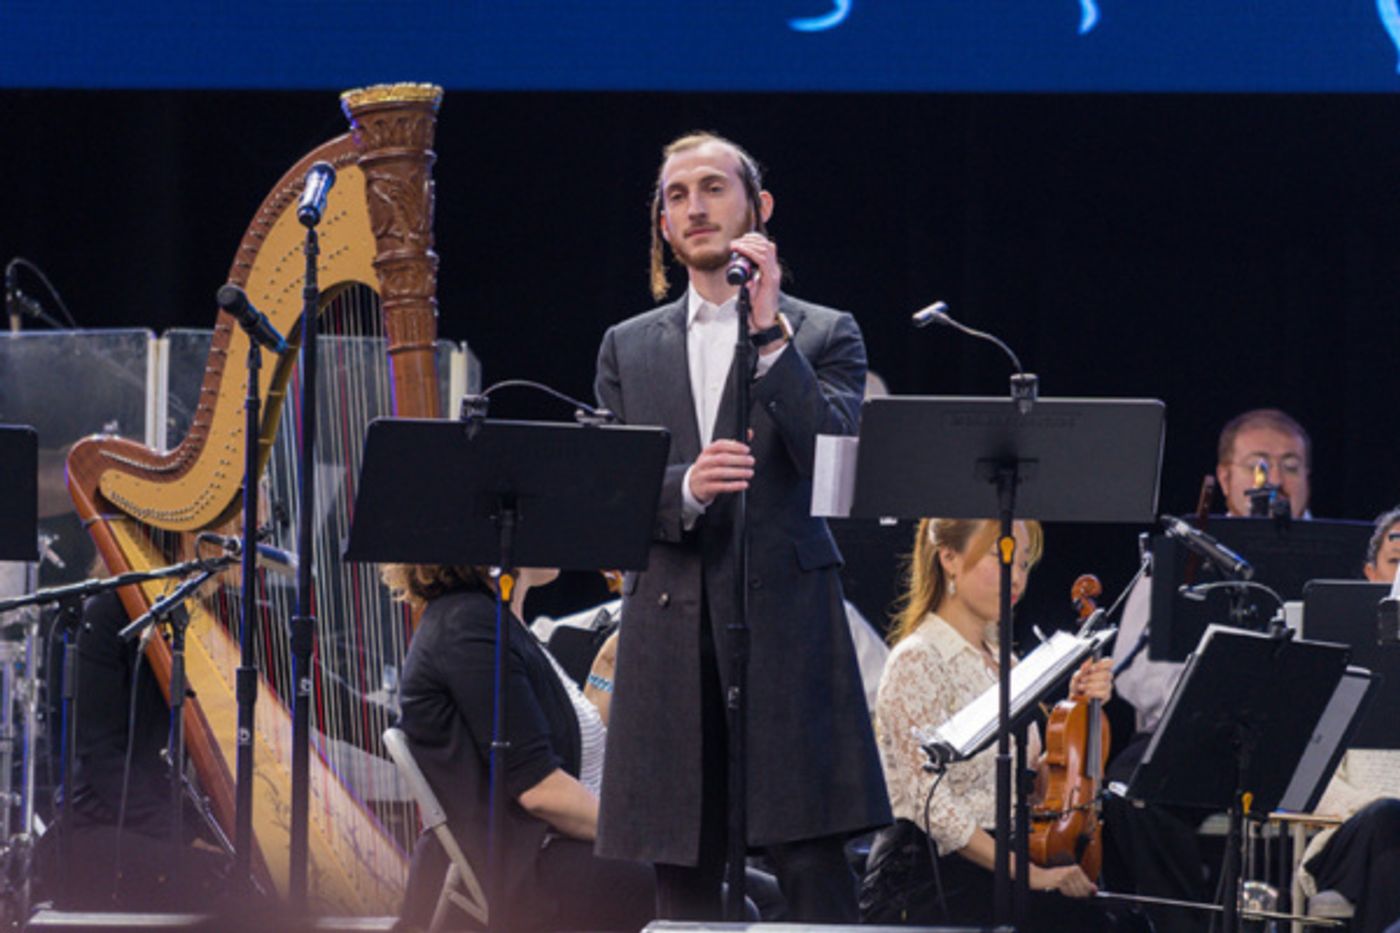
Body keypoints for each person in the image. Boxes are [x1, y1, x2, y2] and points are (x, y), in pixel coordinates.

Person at [592, 131, 889, 922]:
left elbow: (832, 453)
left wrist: (768, 331)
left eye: (714, 187)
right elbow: (609, 493)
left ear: (759, 208)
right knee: (682, 867)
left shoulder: (825, 332)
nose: (695, 206)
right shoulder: (628, 345)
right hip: (670, 629)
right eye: (677, 194)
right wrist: (683, 488)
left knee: (810, 860)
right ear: (662, 223)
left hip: (785, 624)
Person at [860, 517, 1114, 930]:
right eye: (1004, 559)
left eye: (1024, 565)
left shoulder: (1006, 663)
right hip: (929, 873)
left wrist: (1079, 704)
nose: (1016, 578)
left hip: (1002, 860)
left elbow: (1034, 781)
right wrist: (1032, 875)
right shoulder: (917, 658)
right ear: (949, 559)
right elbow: (935, 808)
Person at [388, 562, 654, 931]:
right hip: (514, 872)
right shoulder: (468, 625)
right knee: (725, 901)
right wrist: (647, 836)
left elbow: (573, 749)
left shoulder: (503, 624)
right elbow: (540, 791)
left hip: (544, 851)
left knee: (747, 891)